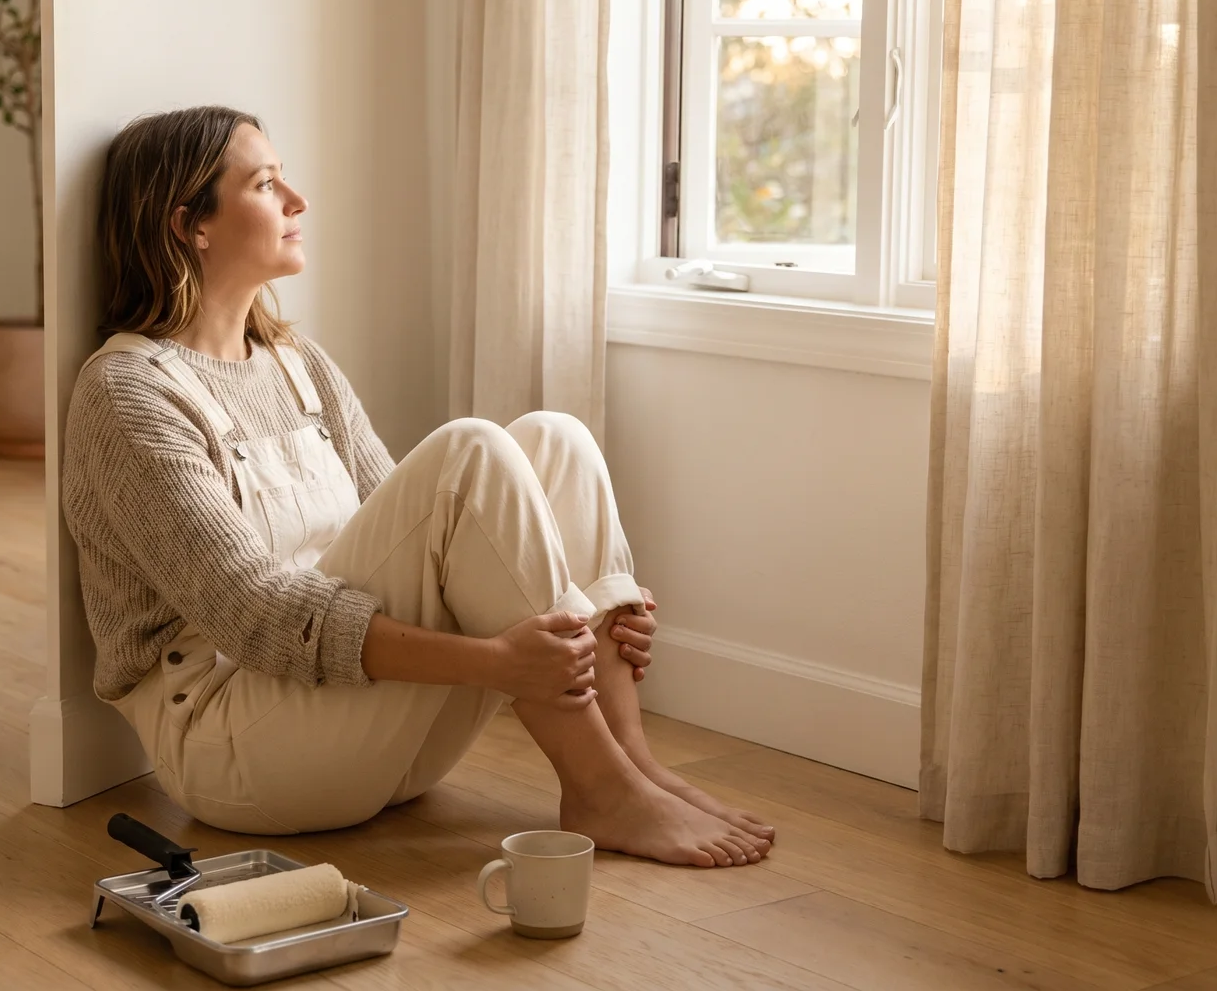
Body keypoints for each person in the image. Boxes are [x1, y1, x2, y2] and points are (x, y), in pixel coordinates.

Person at [62, 105, 774, 867]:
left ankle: (630, 763)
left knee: (554, 440)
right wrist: (497, 663)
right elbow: (252, 615)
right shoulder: (126, 393)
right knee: (468, 454)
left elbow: (413, 538)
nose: (298, 201)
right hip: (238, 750)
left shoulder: (295, 362)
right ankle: (599, 786)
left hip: (370, 734)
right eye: (267, 185)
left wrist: (599, 607)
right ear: (188, 225)